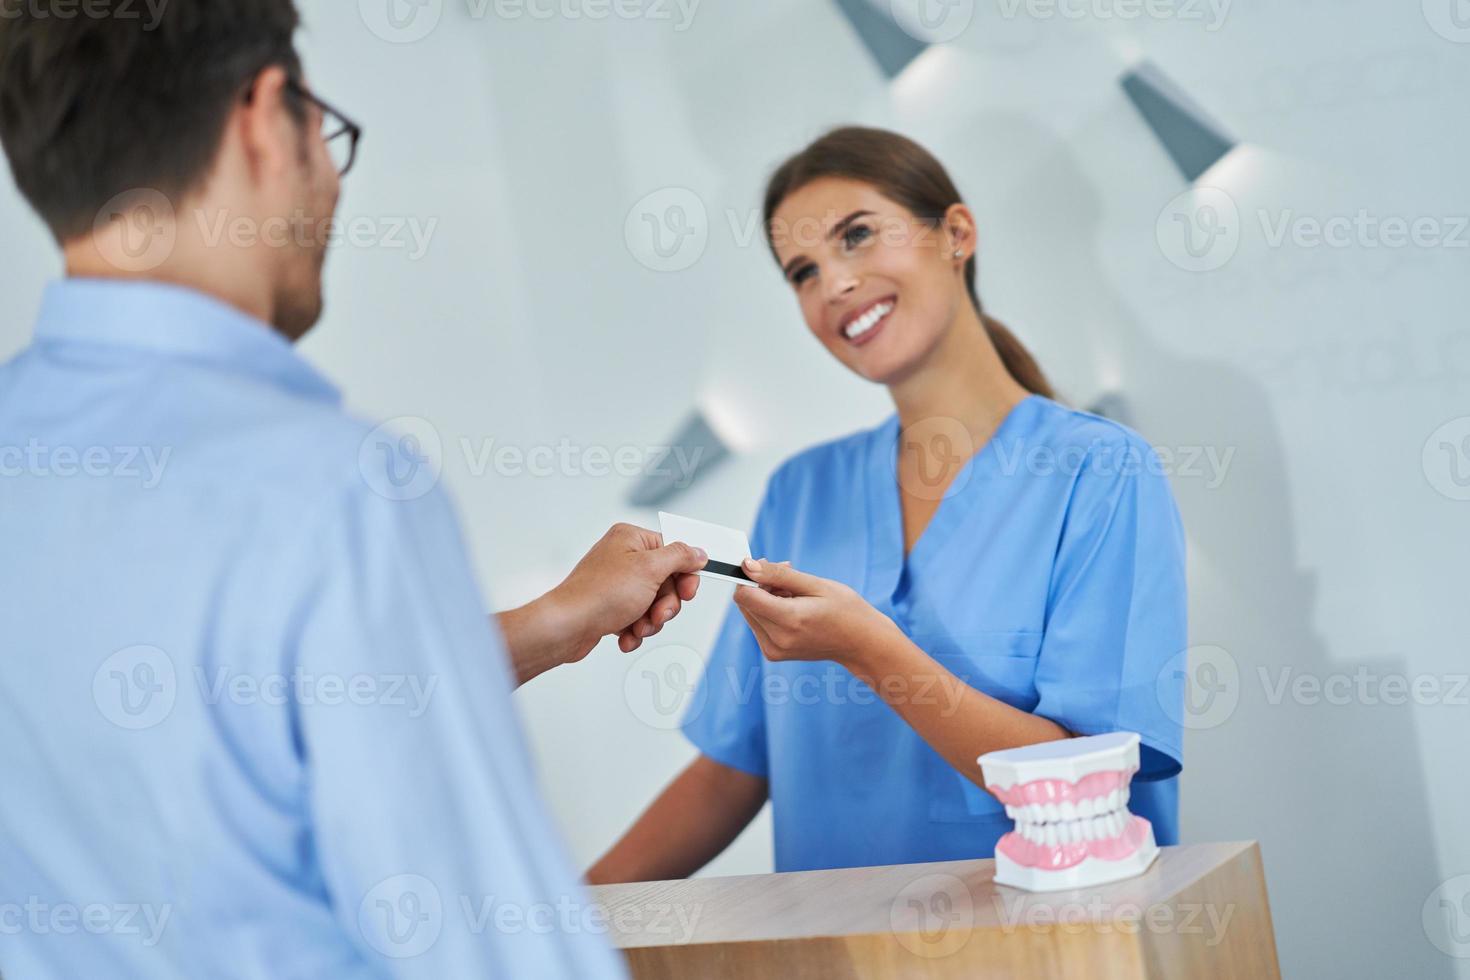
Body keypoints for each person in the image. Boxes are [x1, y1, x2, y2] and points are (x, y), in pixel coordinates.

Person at [0, 4, 704, 977]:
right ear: (264, 114)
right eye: (327, 134)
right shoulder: (336, 494)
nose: (331, 180)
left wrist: (555, 619)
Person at [589, 127, 1187, 881]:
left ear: (957, 235)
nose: (833, 283)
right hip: (829, 956)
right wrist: (549, 925)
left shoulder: (1099, 473)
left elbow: (1084, 782)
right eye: (802, 271)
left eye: (858, 236)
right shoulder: (801, 494)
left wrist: (871, 650)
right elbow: (730, 773)